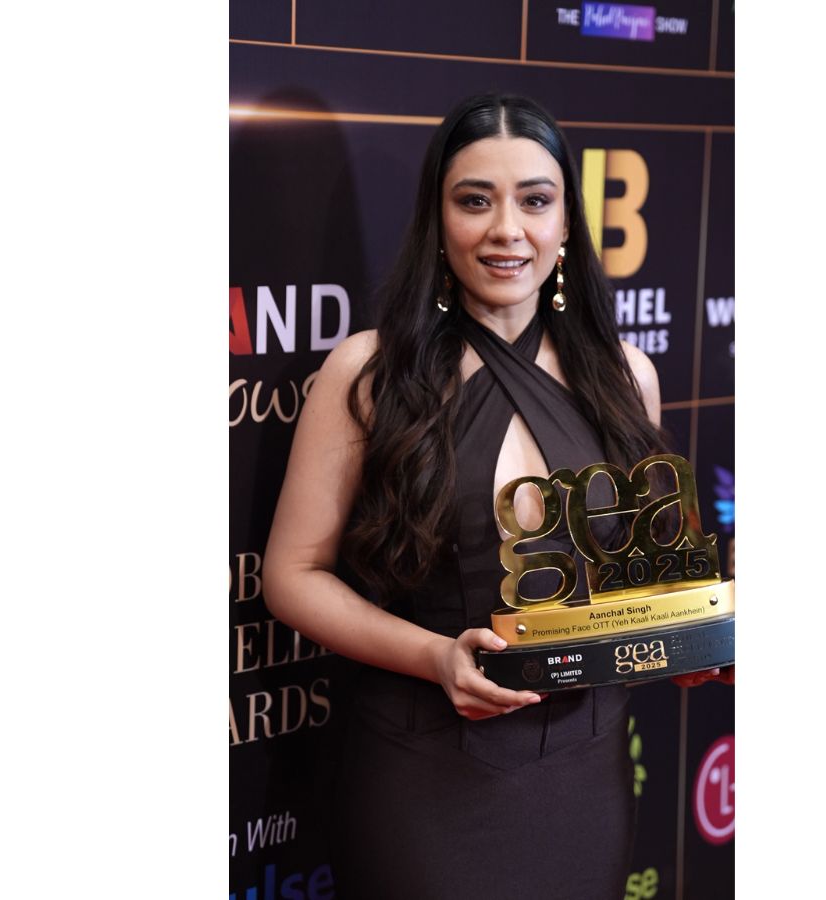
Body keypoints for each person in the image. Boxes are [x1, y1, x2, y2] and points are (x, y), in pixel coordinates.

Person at [262, 93, 725, 900]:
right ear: (437, 219)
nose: (507, 229)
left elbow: (643, 588)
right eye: (475, 200)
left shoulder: (627, 377)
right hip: (421, 776)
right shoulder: (369, 374)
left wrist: (688, 644)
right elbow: (291, 575)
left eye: (535, 201)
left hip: (584, 778)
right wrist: (434, 656)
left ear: (568, 222)